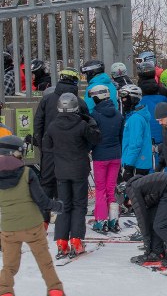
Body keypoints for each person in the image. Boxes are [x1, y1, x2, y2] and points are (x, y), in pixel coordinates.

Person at [0, 135, 66, 296]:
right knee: (45, 265)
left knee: (8, 268)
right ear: (15, 153)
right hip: (33, 227)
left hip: (8, 229)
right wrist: (58, 206)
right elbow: (42, 201)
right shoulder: (27, 173)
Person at [45, 93, 100, 259]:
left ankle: (61, 241)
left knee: (63, 205)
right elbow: (96, 139)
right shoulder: (82, 124)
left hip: (61, 171)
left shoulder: (53, 126)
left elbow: (47, 145)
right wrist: (91, 123)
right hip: (79, 170)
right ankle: (76, 239)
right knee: (79, 205)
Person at [33, 69, 86, 212]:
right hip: (72, 151)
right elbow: (88, 128)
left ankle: (44, 217)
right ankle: (64, 214)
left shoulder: (47, 99)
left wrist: (42, 143)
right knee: (68, 183)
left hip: (49, 149)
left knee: (47, 183)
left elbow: (38, 123)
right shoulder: (80, 103)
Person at [88, 84, 125, 234]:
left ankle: (100, 220)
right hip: (116, 155)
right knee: (111, 189)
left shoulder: (94, 116)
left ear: (97, 98)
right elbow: (121, 136)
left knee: (100, 190)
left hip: (100, 157)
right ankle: (113, 221)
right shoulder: (118, 114)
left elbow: (92, 138)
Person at [119, 84, 154, 183]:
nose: (122, 101)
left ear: (133, 99)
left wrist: (129, 166)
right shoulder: (136, 115)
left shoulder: (136, 118)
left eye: (125, 99)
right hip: (140, 161)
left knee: (135, 194)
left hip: (136, 163)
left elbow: (135, 144)